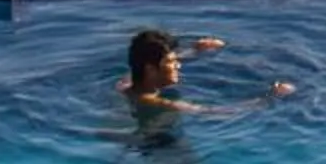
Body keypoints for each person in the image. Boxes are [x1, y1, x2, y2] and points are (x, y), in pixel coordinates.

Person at [119, 29, 294, 116]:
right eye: (172, 62)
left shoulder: (125, 84)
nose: (178, 65)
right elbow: (214, 112)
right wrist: (271, 96)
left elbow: (144, 64)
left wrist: (196, 50)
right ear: (150, 69)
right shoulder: (160, 104)